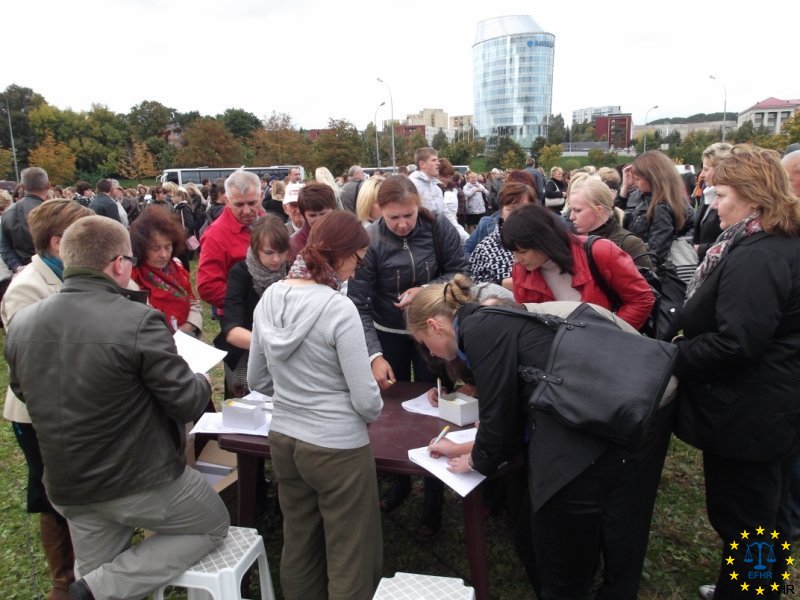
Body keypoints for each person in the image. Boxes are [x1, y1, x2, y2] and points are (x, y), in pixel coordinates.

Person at [5, 216, 229, 600]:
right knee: (212, 523)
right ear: (118, 264)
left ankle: (92, 587)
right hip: (140, 478)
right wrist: (204, 381)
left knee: (99, 567)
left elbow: (24, 391)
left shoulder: (23, 323)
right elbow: (185, 400)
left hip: (68, 481)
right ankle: (93, 589)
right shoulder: (138, 319)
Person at [405, 275, 666, 599]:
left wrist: (475, 458)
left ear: (434, 325)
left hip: (594, 426)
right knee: (537, 535)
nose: (429, 352)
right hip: (591, 416)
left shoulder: (477, 330)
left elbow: (499, 418)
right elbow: (510, 413)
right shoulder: (487, 320)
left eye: (423, 342)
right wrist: (464, 446)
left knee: (554, 547)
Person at [674, 145, 800, 600]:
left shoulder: (759, 254)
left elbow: (737, 342)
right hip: (770, 404)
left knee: (746, 518)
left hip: (751, 411)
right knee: (768, 512)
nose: (712, 202)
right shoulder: (770, 241)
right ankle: (757, 586)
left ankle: (750, 592)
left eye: (721, 193)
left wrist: (675, 355)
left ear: (752, 195)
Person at [248, 211, 382, 600]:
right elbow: (366, 400)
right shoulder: (339, 309)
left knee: (299, 538)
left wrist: (297, 397)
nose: (356, 272)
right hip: (337, 447)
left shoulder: (270, 296)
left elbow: (256, 379)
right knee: (350, 549)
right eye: (356, 259)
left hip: (285, 438)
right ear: (339, 255)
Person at [347, 174, 467, 537]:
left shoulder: (437, 227)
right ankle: (399, 482)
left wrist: (428, 289)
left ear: (419, 208)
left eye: (409, 216)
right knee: (394, 414)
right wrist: (374, 354)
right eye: (394, 216)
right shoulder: (369, 240)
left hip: (433, 333)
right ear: (380, 210)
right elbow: (358, 304)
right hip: (389, 335)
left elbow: (461, 271)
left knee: (437, 409)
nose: (402, 224)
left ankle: (434, 496)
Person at [1, 199, 93, 599]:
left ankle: (92, 563)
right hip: (41, 412)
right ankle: (63, 580)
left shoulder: (78, 274)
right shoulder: (26, 290)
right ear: (58, 242)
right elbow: (36, 366)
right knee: (52, 493)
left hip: (81, 404)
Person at [503, 203, 654, 330]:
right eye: (513, 252)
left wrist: (612, 334)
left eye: (522, 251)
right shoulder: (521, 271)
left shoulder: (601, 251)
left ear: (545, 241)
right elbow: (529, 322)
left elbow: (641, 298)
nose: (516, 260)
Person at [215, 215, 289, 398]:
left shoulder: (292, 271)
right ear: (256, 250)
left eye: (282, 252)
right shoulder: (240, 274)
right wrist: (272, 344)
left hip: (284, 360)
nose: (277, 259)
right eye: (269, 253)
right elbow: (231, 330)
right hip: (244, 356)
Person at [197, 169, 263, 313]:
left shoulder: (268, 222)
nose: (246, 210)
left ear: (261, 196)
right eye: (239, 205)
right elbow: (208, 286)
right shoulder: (215, 236)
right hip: (241, 315)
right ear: (227, 200)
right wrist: (249, 300)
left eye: (252, 203)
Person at [129, 207, 202, 336]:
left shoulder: (176, 267)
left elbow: (193, 301)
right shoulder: (133, 277)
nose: (163, 254)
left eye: (168, 247)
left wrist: (189, 326)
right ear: (141, 248)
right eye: (155, 248)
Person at [617, 150, 695, 266]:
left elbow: (656, 253)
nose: (635, 183)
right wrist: (624, 189)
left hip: (648, 271)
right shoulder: (650, 201)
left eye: (638, 179)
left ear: (652, 179)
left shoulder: (660, 207)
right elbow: (618, 220)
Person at [568, 176, 653, 269]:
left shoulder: (629, 244)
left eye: (577, 210)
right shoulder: (573, 239)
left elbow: (644, 282)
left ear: (598, 210)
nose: (571, 217)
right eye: (571, 210)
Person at [469, 182, 536, 285]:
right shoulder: (485, 248)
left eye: (525, 208)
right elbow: (475, 286)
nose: (518, 213)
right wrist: (503, 284)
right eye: (512, 208)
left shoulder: (545, 242)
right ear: (502, 211)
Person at [0, 166, 49, 273]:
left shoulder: (8, 213)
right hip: (52, 271)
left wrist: (17, 266)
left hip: (23, 273)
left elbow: (4, 246)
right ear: (48, 185)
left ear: (22, 186)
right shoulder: (54, 211)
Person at [694, 143, 733, 260]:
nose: (701, 174)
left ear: (720, 169)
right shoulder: (708, 194)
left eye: (706, 169)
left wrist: (700, 248)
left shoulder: (733, 199)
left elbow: (732, 239)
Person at [288, 182, 337, 259]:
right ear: (304, 215)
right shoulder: (295, 244)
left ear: (333, 210)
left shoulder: (346, 234)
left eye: (323, 214)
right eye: (312, 215)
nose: (319, 220)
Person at [437, 158, 470, 241]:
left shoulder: (450, 190)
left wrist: (467, 239)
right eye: (446, 176)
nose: (448, 179)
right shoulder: (432, 191)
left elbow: (448, 214)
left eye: (450, 177)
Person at [408, 147, 446, 215]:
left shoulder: (436, 187)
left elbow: (444, 213)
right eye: (434, 160)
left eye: (437, 160)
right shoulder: (411, 184)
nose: (438, 163)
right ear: (422, 164)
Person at [169, 185, 195, 269]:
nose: (171, 198)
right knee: (180, 257)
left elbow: (190, 224)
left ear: (179, 197)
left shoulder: (184, 208)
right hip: (178, 235)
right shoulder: (177, 208)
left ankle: (186, 273)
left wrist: (183, 234)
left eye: (173, 196)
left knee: (183, 258)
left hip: (183, 237)